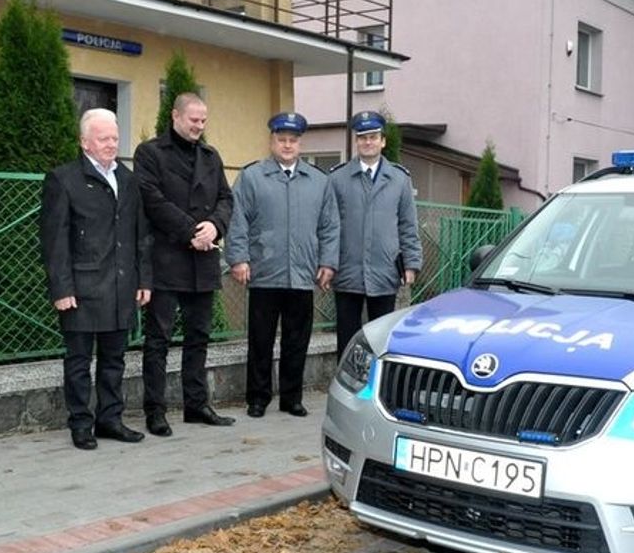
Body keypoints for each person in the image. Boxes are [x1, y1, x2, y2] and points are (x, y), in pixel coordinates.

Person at [40, 108, 152, 450]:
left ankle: (110, 419)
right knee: (78, 362)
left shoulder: (129, 179)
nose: (110, 144)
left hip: (121, 286)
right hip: (82, 289)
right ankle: (80, 424)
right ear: (84, 142)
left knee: (114, 360)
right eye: (103, 138)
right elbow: (54, 239)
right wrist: (61, 287)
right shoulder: (64, 179)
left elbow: (141, 234)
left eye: (115, 138)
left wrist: (143, 279)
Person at [225, 112, 339, 419]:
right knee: (260, 340)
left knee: (297, 341)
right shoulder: (252, 177)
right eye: (281, 139)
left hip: (303, 275)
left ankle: (292, 398)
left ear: (299, 144)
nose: (287, 145)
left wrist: (328, 262)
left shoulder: (319, 181)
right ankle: (258, 398)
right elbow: (238, 221)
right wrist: (238, 257)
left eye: (292, 140)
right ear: (271, 141)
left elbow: (330, 226)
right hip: (263, 272)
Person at [134, 92, 236, 436]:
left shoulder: (211, 155)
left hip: (203, 260)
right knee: (158, 339)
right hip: (167, 258)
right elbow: (152, 199)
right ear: (176, 116)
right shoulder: (150, 153)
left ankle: (196, 405)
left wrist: (216, 226)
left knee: (199, 337)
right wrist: (190, 230)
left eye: (204, 121)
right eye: (194, 120)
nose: (199, 126)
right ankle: (156, 410)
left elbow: (225, 197)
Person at [328, 111, 423, 359]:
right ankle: (345, 387)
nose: (368, 142)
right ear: (356, 142)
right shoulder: (337, 178)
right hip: (348, 271)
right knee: (347, 339)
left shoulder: (399, 179)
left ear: (382, 141)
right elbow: (328, 226)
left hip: (384, 272)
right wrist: (327, 263)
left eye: (373, 137)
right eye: (362, 137)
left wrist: (411, 263)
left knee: (381, 339)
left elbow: (408, 224)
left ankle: (375, 387)